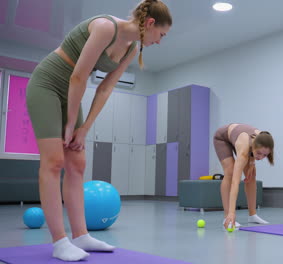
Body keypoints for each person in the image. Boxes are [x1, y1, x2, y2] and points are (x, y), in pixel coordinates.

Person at [26, 0, 172, 261]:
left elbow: (105, 89)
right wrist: (71, 123)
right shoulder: (106, 27)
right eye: (161, 34)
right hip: (47, 84)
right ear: (150, 23)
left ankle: (81, 235)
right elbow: (78, 76)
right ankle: (60, 241)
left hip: (71, 92)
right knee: (54, 161)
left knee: (77, 163)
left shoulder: (130, 49)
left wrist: (83, 129)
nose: (160, 41)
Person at [213, 123, 274, 230]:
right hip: (222, 138)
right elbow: (235, 183)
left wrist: (252, 163)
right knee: (231, 173)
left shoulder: (264, 138)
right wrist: (232, 213)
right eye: (259, 153)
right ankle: (227, 216)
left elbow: (254, 153)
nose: (261, 157)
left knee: (251, 175)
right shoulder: (244, 149)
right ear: (254, 147)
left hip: (240, 140)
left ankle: (252, 215)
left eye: (265, 155)